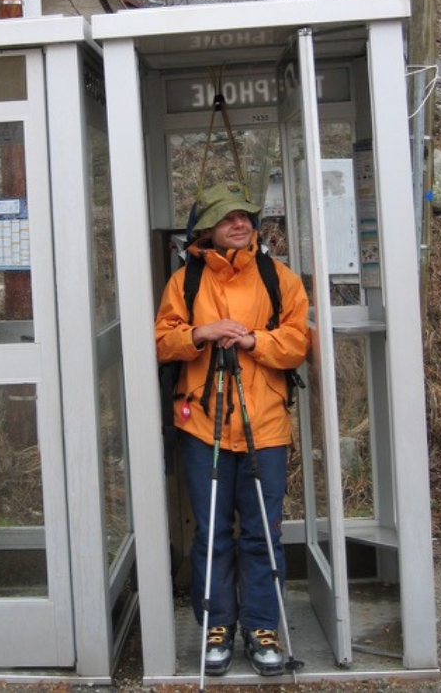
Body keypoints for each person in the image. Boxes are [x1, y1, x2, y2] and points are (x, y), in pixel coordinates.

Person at [154, 181, 310, 677]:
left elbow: (296, 343)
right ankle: (217, 626)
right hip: (203, 426)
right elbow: (162, 340)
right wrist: (202, 333)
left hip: (265, 425)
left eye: (245, 216)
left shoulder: (278, 276)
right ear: (207, 229)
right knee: (214, 531)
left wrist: (252, 342)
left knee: (263, 533)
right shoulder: (187, 282)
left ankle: (263, 628)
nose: (240, 223)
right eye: (228, 218)